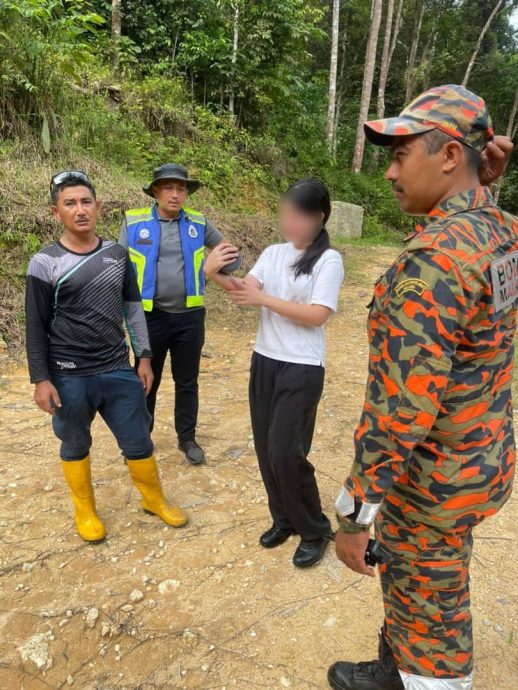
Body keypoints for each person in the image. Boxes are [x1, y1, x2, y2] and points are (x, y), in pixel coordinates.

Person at [328, 85, 517, 690]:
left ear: (447, 156)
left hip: (432, 485)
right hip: (481, 464)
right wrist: (487, 183)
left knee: (430, 616)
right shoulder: (505, 231)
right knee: (424, 582)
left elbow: (397, 414)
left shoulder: (432, 263)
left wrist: (355, 516)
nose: (388, 171)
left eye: (400, 153)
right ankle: (393, 667)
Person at [26, 171, 188, 544]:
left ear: (98, 207)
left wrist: (144, 358)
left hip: (116, 368)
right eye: (70, 204)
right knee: (75, 442)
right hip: (68, 374)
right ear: (56, 212)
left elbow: (133, 310)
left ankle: (153, 498)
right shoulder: (45, 263)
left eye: (86, 202)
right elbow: (35, 326)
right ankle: (85, 509)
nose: (80, 210)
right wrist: (40, 379)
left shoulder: (117, 254)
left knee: (138, 440)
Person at [205, 179, 344, 568]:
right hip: (265, 360)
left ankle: (314, 528)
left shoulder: (328, 259)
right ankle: (283, 519)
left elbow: (318, 315)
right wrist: (213, 272)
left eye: (298, 215)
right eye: (286, 213)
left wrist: (264, 298)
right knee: (267, 450)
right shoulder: (272, 252)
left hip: (302, 366)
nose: (290, 222)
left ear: (319, 218)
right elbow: (244, 289)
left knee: (287, 451)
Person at [119, 163, 241, 466]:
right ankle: (140, 438)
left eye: (181, 188)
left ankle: (187, 439)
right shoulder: (134, 223)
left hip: (190, 318)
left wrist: (220, 263)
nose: (175, 194)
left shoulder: (198, 224)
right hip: (149, 317)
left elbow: (232, 258)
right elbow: (117, 266)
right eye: (169, 188)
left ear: (186, 193)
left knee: (188, 381)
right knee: (145, 379)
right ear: (156, 191)